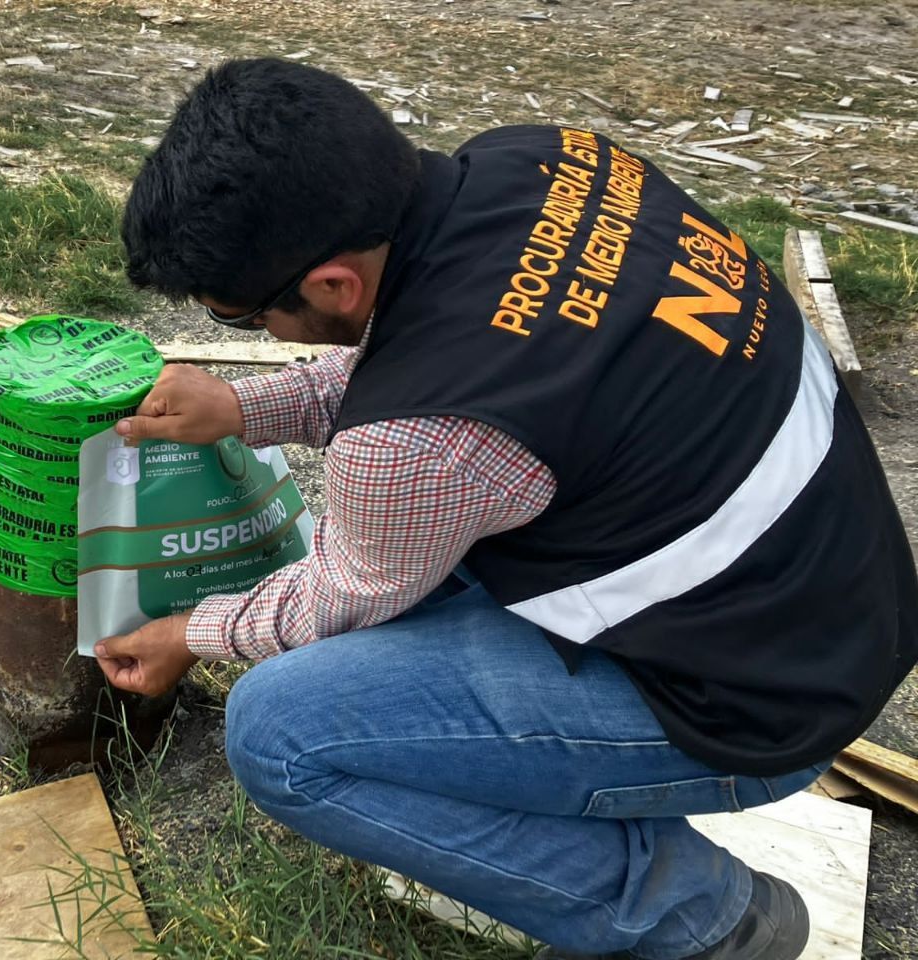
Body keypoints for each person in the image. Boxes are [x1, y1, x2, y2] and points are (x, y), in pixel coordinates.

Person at [96, 57, 918, 959]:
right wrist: (251, 405)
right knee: (417, 575)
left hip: (756, 702)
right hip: (834, 592)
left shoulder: (416, 444)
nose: (256, 337)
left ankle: (704, 922)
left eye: (245, 320)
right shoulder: (545, 162)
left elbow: (341, 588)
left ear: (333, 285)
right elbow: (444, 355)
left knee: (284, 732)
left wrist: (191, 633)